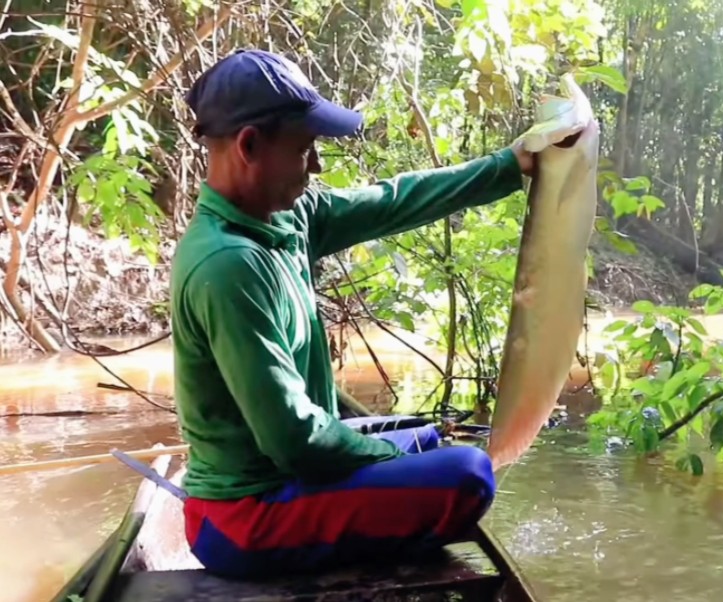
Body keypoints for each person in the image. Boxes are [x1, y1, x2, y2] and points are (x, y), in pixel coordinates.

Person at [170, 48, 534, 579]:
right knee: (469, 474)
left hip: (287, 477)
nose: (315, 166)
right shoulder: (229, 266)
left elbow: (394, 200)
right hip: (244, 516)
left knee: (428, 439)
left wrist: (510, 165)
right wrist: (389, 460)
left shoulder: (285, 218)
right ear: (249, 145)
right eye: (304, 148)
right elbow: (296, 440)